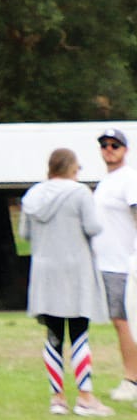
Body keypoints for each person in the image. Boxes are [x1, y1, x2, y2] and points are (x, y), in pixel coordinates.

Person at [22, 148, 112, 415]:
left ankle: (57, 398)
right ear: (72, 169)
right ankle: (85, 396)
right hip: (75, 270)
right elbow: (94, 227)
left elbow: (25, 232)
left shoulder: (32, 195)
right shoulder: (80, 193)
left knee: (53, 336)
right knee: (79, 334)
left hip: (44, 270)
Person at [92, 126, 137, 402]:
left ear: (125, 149)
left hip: (124, 263)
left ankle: (132, 380)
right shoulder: (105, 181)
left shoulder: (129, 178)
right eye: (105, 145)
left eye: (115, 145)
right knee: (119, 322)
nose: (109, 149)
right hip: (108, 263)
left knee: (125, 323)